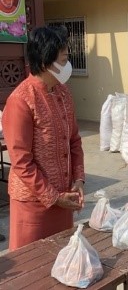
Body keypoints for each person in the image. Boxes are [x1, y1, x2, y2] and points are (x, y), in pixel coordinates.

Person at [2, 26, 85, 251]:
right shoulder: (21, 100)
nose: (68, 64)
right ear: (47, 60)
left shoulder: (63, 92)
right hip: (34, 205)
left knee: (62, 262)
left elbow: (74, 140)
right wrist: (53, 196)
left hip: (64, 198)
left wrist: (78, 180)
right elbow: (21, 162)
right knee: (33, 269)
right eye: (65, 58)